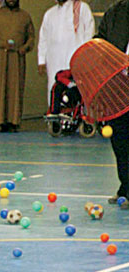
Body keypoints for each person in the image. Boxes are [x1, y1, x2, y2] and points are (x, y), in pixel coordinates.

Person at [0, 0, 35, 134]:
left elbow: (31, 38)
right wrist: (1, 44)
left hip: (16, 57)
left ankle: (12, 121)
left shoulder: (25, 16)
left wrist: (24, 48)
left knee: (14, 88)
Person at [95, 0, 129, 209]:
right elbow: (101, 40)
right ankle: (125, 187)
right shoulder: (117, 11)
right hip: (119, 85)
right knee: (120, 139)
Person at [37, 0, 94, 101]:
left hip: (75, 61)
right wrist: (41, 60)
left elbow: (89, 34)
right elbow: (43, 38)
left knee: (75, 93)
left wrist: (85, 58)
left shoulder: (82, 8)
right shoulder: (50, 14)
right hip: (54, 62)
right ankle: (54, 114)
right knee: (54, 90)